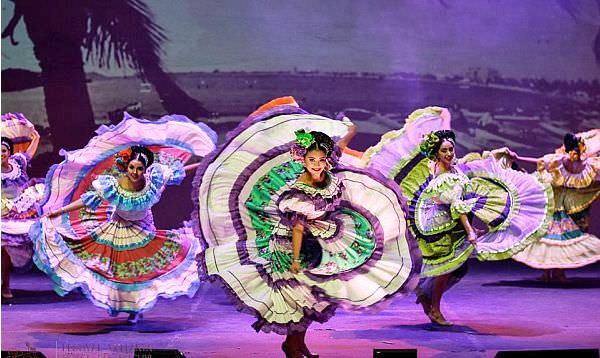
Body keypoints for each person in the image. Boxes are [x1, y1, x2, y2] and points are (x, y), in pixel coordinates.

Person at [193, 98, 419, 357]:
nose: (317, 164)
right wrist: (296, 261)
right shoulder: (297, 192)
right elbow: (298, 229)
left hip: (312, 243)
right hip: (291, 247)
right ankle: (292, 345)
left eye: (322, 160)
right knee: (301, 299)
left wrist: (345, 130)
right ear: (304, 160)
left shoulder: (326, 178)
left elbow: (340, 150)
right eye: (312, 160)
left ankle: (297, 344)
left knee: (314, 299)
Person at [362, 107, 553, 326]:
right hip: (438, 227)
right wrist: (471, 231)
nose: (450, 154)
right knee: (449, 265)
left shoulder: (453, 168)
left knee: (459, 267)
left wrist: (497, 154)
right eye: (445, 151)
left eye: (451, 150)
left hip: (450, 220)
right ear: (437, 154)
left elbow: (472, 169)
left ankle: (427, 294)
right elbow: (458, 207)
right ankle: (434, 306)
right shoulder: (442, 176)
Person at [31, 113, 217, 323]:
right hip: (118, 227)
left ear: (145, 169)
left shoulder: (154, 180)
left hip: (145, 228)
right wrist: (59, 212)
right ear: (127, 167)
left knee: (140, 271)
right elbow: (88, 199)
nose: (135, 172)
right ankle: (123, 305)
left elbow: (181, 170)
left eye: (139, 168)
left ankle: (135, 308)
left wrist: (203, 165)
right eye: (131, 168)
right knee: (119, 272)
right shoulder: (114, 184)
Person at [512, 132, 600, 282]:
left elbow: (537, 161)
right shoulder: (586, 164)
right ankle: (555, 273)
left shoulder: (561, 160)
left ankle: (550, 273)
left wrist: (517, 158)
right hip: (558, 203)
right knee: (557, 239)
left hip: (555, 202)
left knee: (550, 239)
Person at [1, 120, 43, 299]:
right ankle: (5, 285)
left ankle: (69, 274)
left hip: (22, 208)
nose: (0, 153)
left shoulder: (18, 163)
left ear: (9, 152)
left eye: (3, 150)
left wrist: (33, 131)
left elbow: (34, 142)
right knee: (3, 249)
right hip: (3, 211)